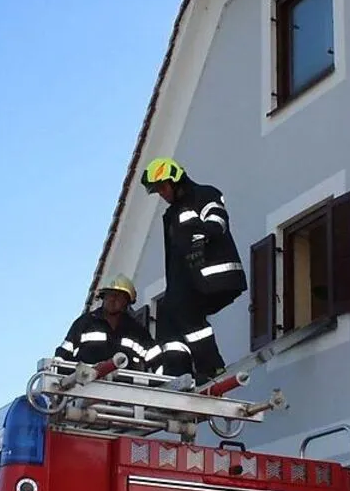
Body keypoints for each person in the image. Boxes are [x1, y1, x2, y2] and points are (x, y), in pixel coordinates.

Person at [138, 157, 247, 382]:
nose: (161, 194)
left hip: (212, 274)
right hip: (188, 281)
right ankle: (177, 373)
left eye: (163, 187)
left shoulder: (204, 194)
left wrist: (203, 236)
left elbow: (217, 218)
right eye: (157, 190)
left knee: (184, 310)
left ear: (176, 181)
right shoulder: (171, 214)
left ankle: (212, 366)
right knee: (168, 313)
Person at [54, 274, 156, 372]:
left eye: (118, 296)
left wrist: (162, 379)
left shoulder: (137, 330)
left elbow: (155, 357)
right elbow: (63, 354)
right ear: (103, 297)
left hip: (123, 383)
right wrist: (55, 374)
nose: (112, 299)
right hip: (87, 381)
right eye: (109, 295)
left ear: (127, 301)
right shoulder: (85, 323)